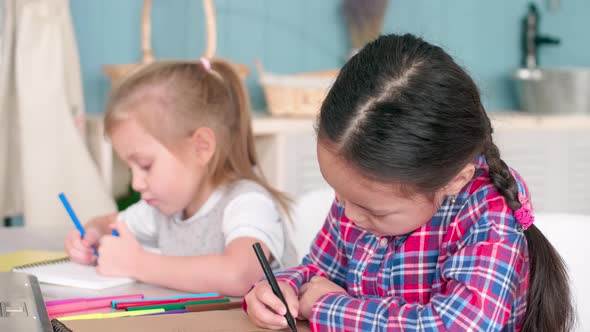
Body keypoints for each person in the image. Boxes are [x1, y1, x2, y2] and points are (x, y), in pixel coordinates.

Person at [244, 34, 573, 331]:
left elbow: (458, 326)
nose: (349, 215)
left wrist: (327, 307)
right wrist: (278, 291)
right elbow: (318, 273)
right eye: (340, 196)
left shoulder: (487, 214)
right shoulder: (358, 199)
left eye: (374, 211)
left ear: (453, 181)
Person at [64, 58, 297, 296]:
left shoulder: (248, 203)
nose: (136, 183)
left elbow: (237, 275)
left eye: (145, 165)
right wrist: (90, 233)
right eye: (129, 168)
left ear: (201, 147)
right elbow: (108, 224)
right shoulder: (164, 208)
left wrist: (137, 264)